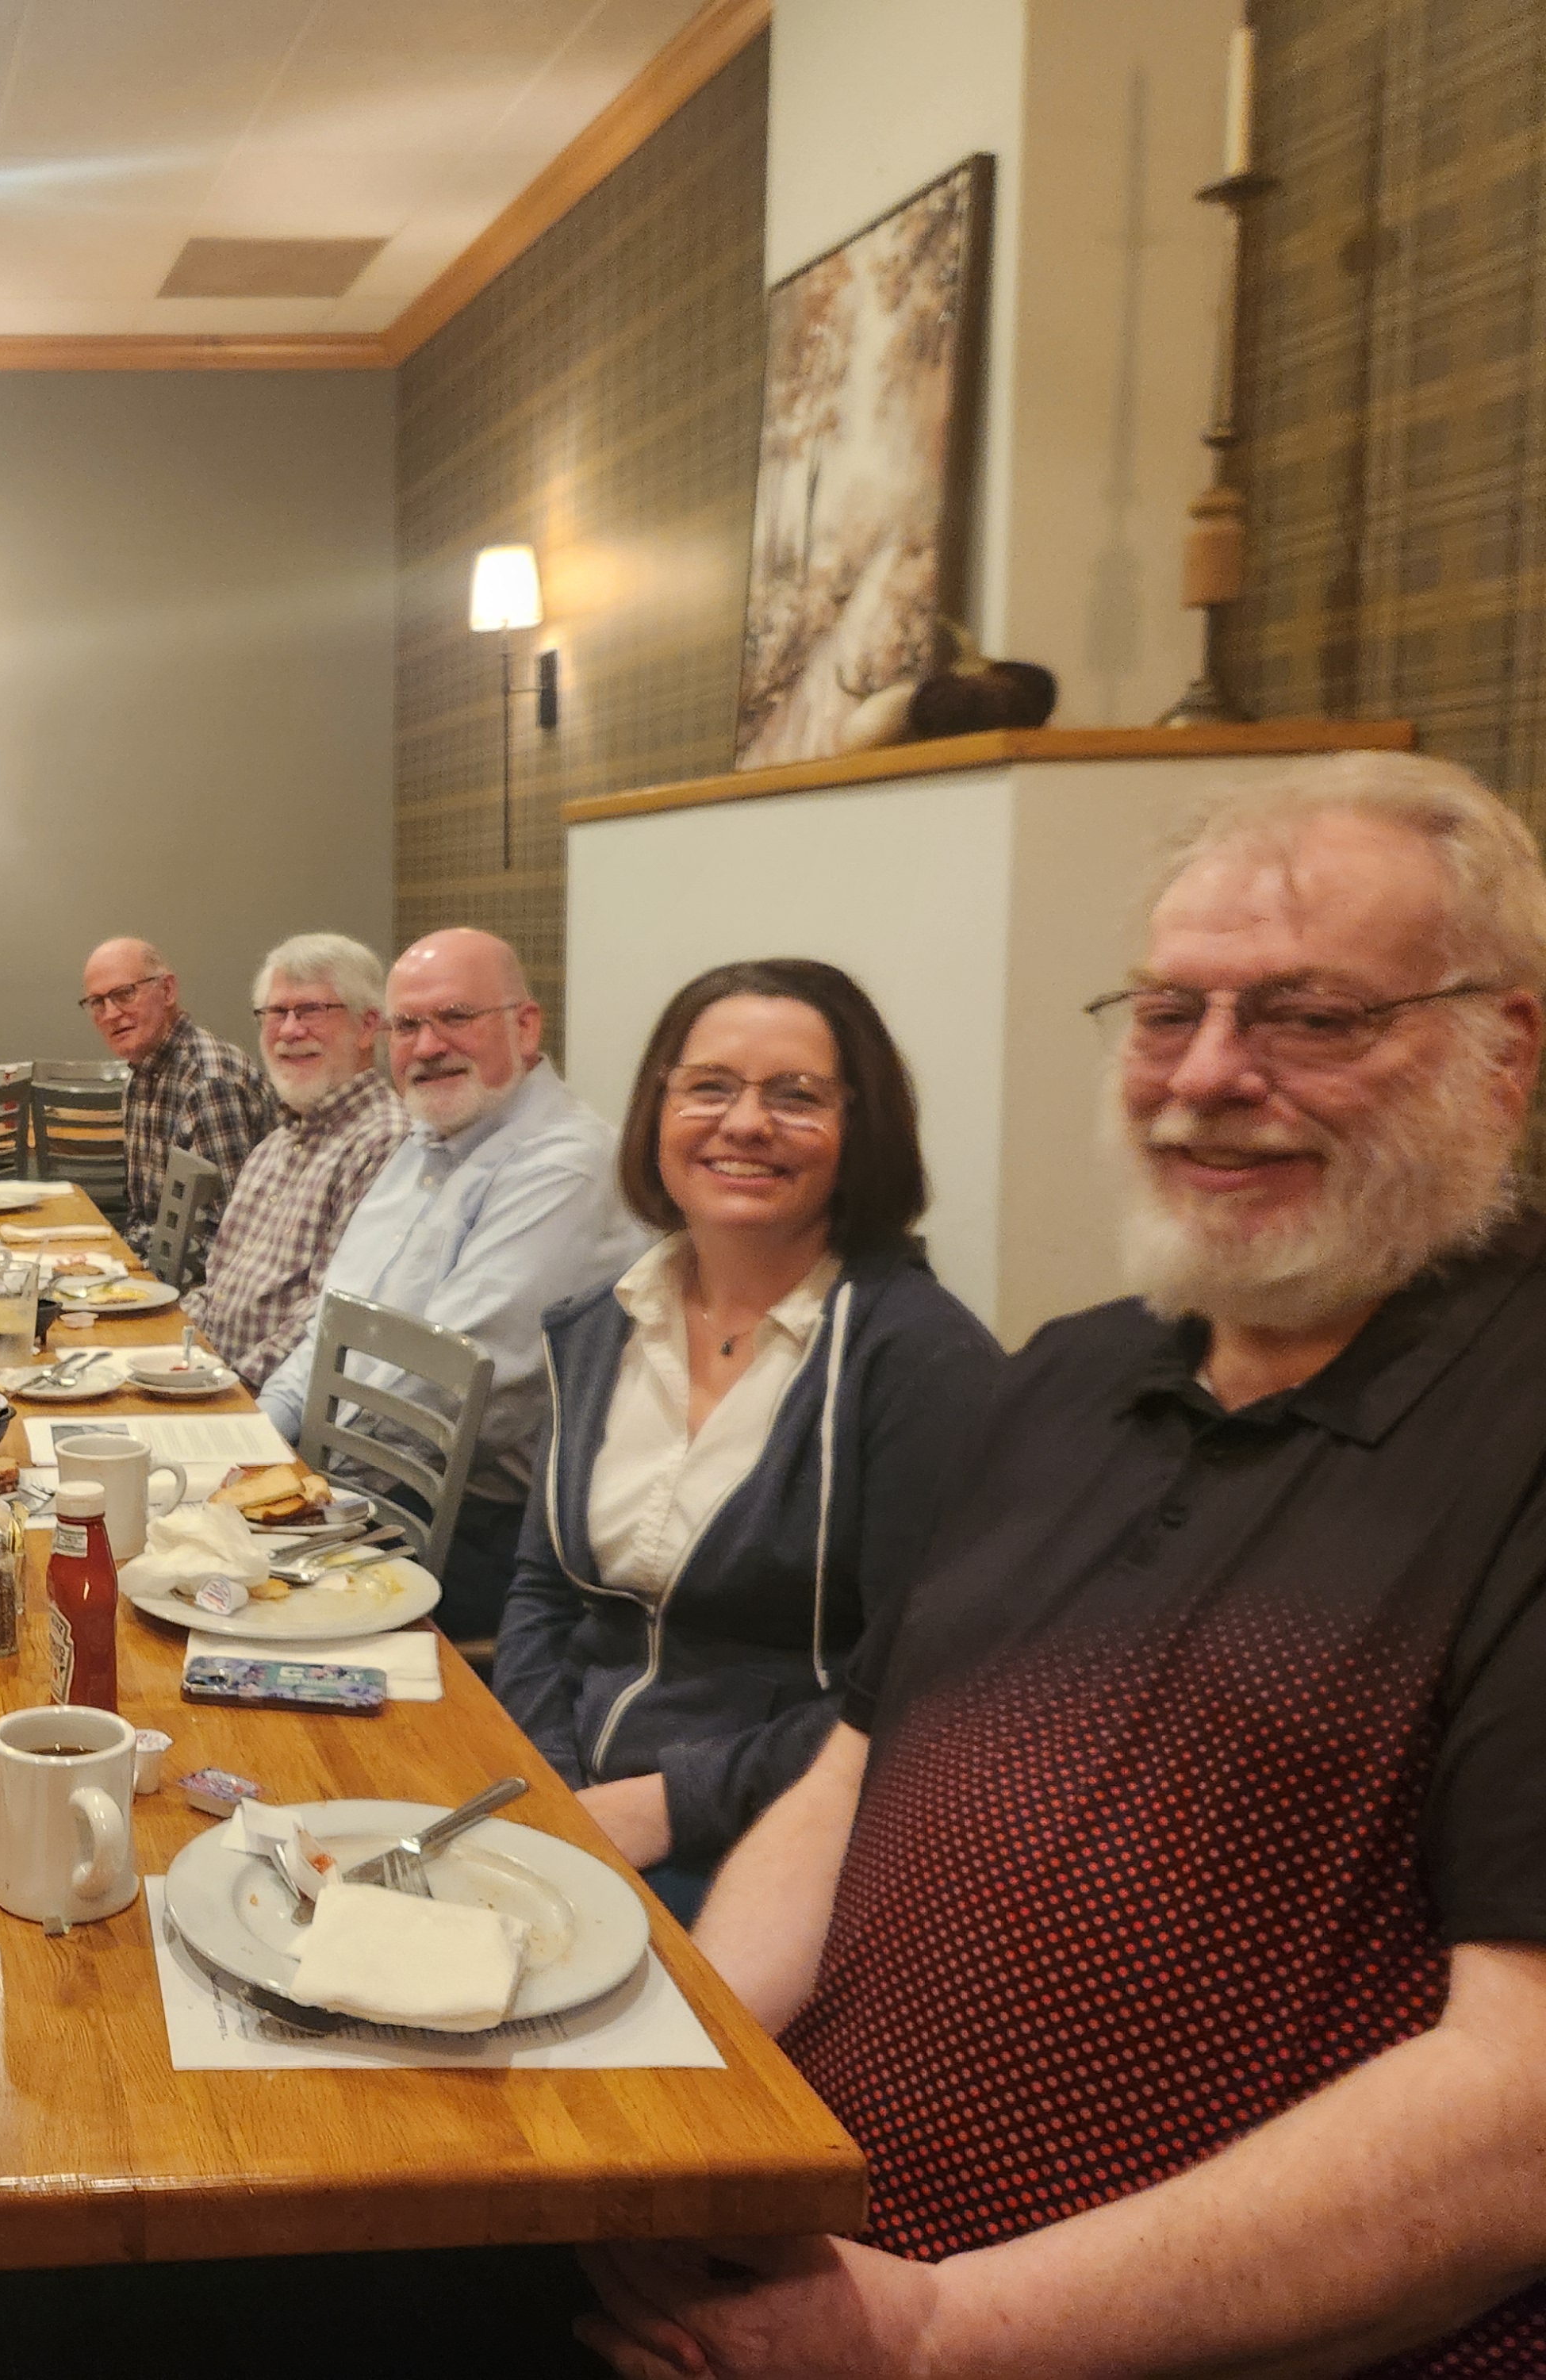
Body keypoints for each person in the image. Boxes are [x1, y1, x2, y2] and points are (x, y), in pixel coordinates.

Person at [582, 756, 1546, 2379]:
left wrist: (938, 2329)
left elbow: (1521, 2109)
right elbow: (848, 1780)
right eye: (1167, 1013)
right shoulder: (1058, 1377)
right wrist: (682, 2104)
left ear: (1501, 1051)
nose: (1208, 1076)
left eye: (1311, 1017)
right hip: (786, 2232)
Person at [492, 960, 999, 1923]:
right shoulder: (598, 1326)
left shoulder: (922, 1365)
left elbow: (918, 1692)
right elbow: (543, 1591)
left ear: (861, 1128)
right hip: (574, 1795)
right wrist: (549, 1778)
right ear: (658, 1109)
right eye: (709, 1087)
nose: (746, 1123)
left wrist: (663, 1807)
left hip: (770, 1838)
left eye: (796, 1096)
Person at [259, 927, 646, 1641]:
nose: (428, 1046)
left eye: (456, 1017)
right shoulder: (427, 1139)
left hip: (481, 1530)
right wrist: (255, 1443)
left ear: (525, 1026)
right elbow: (329, 1328)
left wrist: (290, 1490)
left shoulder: (567, 1165)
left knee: (199, 1593)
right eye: (407, 1025)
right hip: (365, 1484)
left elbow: (444, 1398)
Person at [184, 932, 409, 1385]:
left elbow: (326, 1320)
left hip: (263, 1402)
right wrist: (161, 1345)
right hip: (206, 1377)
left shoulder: (383, 1142)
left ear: (368, 1026)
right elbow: (217, 1290)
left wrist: (226, 1390)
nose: (289, 1031)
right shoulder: (277, 1143)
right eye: (276, 1013)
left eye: (310, 1010)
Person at [81, 935, 278, 1250]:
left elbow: (228, 1239)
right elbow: (144, 1218)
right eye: (97, 1002)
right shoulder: (141, 1074)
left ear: (168, 990)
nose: (110, 1014)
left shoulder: (209, 1082)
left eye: (125, 994)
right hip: (153, 1261)